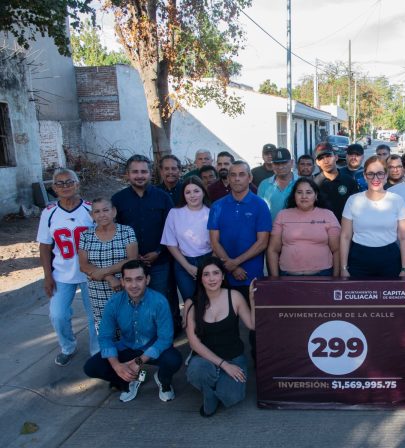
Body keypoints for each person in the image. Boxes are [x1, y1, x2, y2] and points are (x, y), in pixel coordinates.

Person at [83, 260, 183, 403]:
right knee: (91, 367)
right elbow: (105, 337)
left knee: (173, 360)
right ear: (122, 282)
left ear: (147, 280)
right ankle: (129, 379)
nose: (134, 285)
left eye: (139, 279)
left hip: (152, 348)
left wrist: (138, 362)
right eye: (128, 280)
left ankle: (163, 380)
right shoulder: (114, 302)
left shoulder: (159, 301)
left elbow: (165, 339)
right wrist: (117, 366)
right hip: (127, 347)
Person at [208, 160, 271, 362]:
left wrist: (236, 263)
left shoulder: (260, 205)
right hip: (225, 276)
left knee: (255, 324)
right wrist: (230, 265)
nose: (236, 179)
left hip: (251, 275)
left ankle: (257, 363)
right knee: (227, 323)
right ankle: (230, 361)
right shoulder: (218, 206)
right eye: (232, 175)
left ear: (250, 178)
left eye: (241, 174)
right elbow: (214, 241)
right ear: (227, 179)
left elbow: (262, 242)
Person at [112, 154, 180, 335]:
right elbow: (114, 231)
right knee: (135, 303)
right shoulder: (118, 200)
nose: (139, 175)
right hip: (131, 264)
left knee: (162, 301)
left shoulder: (163, 198)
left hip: (160, 261)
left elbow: (172, 229)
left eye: (143, 171)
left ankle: (165, 340)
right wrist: (133, 257)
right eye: (135, 172)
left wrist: (158, 251)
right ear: (127, 174)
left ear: (150, 173)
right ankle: (142, 340)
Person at [38, 169, 98, 365]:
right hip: (62, 273)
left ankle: (97, 351)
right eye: (60, 183)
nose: (65, 186)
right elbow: (45, 246)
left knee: (95, 316)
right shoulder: (49, 213)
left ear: (77, 184)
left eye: (69, 182)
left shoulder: (91, 210)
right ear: (54, 188)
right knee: (58, 314)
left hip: (91, 272)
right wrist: (48, 276)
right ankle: (67, 346)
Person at [186, 257, 254, 417]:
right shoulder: (192, 303)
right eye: (206, 274)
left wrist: (252, 299)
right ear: (200, 278)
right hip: (205, 359)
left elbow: (252, 325)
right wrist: (224, 365)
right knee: (197, 370)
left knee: (232, 397)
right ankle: (208, 393)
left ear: (223, 276)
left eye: (216, 273)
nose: (211, 279)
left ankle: (212, 386)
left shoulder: (234, 296)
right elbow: (194, 344)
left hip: (234, 358)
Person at [340, 156, 405, 278]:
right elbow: (345, 236)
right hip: (359, 259)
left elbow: (404, 237)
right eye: (371, 174)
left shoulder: (397, 200)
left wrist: (404, 268)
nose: (375, 178)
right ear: (364, 175)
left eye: (380, 174)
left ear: (386, 175)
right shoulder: (353, 200)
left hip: (390, 259)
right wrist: (343, 267)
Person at [78, 197, 138, 332]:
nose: (102, 215)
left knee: (129, 325)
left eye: (105, 210)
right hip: (97, 290)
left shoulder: (127, 231)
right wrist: (110, 278)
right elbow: (83, 265)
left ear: (114, 211)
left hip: (124, 287)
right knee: (105, 328)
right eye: (97, 212)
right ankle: (110, 353)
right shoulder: (85, 236)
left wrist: (103, 272)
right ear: (92, 215)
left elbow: (132, 260)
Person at [267, 178, 341, 277]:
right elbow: (273, 250)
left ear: (316, 195)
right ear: (294, 195)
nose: (304, 196)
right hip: (288, 276)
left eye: (309, 192)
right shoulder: (283, 215)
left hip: (322, 275)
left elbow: (336, 250)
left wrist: (336, 279)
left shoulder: (328, 215)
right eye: (299, 192)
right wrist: (275, 279)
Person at [161, 176, 212, 306]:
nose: (192, 195)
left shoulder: (211, 212)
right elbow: (170, 243)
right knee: (190, 301)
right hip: (183, 263)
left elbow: (217, 242)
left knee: (209, 301)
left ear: (203, 192)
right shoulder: (174, 213)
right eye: (188, 192)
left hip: (207, 260)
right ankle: (191, 326)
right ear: (183, 195)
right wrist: (187, 266)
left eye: (196, 191)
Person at [313, 141, 359, 221]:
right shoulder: (313, 184)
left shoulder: (349, 181)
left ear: (336, 157)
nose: (326, 161)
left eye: (328, 156)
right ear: (317, 162)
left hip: (346, 229)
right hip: (322, 230)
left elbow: (357, 209)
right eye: (321, 158)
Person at [258, 147, 297, 221]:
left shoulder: (302, 183)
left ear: (291, 163)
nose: (280, 167)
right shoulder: (264, 185)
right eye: (277, 163)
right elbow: (260, 211)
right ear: (272, 165)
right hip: (270, 230)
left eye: (284, 163)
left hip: (296, 231)